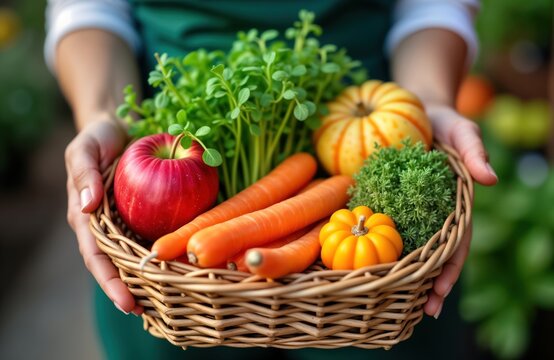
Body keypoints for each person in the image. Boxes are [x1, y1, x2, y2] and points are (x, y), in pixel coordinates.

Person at [46, 0, 498, 358]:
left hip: (371, 277)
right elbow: (89, 7)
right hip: (170, 272)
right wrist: (104, 115)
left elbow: (432, 5)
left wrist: (430, 102)